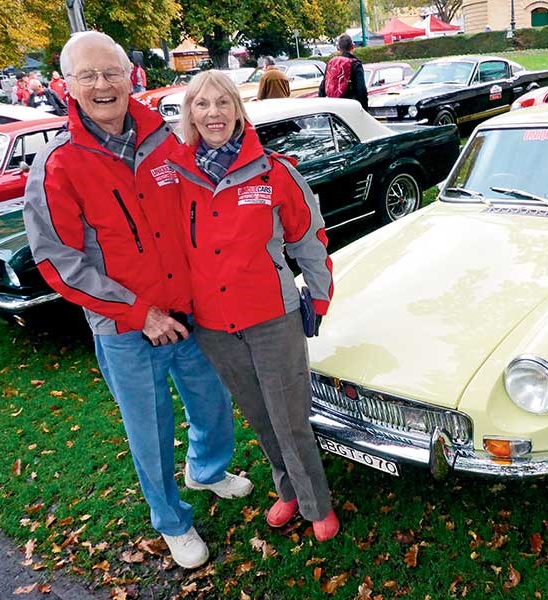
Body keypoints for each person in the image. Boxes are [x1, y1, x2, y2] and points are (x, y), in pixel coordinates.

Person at [23, 31, 252, 570]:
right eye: (88, 76)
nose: (103, 85)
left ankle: (208, 468)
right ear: (66, 86)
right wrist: (136, 313)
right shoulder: (59, 165)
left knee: (214, 407)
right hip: (126, 329)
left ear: (132, 77)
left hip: (190, 314)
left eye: (112, 72)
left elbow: (205, 210)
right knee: (149, 431)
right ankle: (172, 521)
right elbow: (59, 262)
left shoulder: (168, 140)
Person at [166, 70, 341, 542]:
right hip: (213, 325)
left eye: (223, 103)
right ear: (190, 114)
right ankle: (288, 492)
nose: (213, 113)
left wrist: (319, 295)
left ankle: (316, 503)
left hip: (272, 316)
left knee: (290, 417)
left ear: (238, 110)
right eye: (202, 105)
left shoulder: (273, 170)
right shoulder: (177, 176)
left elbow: (309, 237)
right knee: (261, 418)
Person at [318, 34, 368, 110]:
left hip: (334, 108)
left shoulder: (332, 63)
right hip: (350, 106)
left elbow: (323, 87)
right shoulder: (355, 64)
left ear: (338, 48)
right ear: (353, 46)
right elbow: (361, 90)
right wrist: (364, 109)